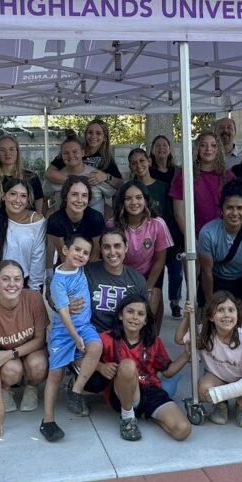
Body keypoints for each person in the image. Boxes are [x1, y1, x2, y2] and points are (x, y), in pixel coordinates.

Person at [85, 294, 191, 442]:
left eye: (141, 314)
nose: (135, 317)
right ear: (121, 315)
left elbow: (167, 371)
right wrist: (101, 366)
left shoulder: (153, 341)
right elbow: (79, 357)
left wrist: (186, 356)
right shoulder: (105, 338)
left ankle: (145, 414)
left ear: (146, 321)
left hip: (150, 390)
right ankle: (127, 417)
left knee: (182, 430)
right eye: (130, 312)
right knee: (128, 365)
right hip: (123, 394)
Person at [40, 233, 103, 442]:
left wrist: (80, 334)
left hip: (84, 326)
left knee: (96, 346)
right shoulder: (58, 280)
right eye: (77, 250)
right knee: (55, 374)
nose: (81, 255)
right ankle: (47, 420)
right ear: (65, 250)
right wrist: (75, 337)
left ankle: (76, 391)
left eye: (86, 253)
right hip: (64, 332)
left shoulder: (81, 270)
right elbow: (64, 314)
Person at [0, 260, 49, 437]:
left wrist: (12, 353)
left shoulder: (33, 299)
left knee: (38, 364)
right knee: (12, 370)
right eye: (6, 279)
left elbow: (40, 340)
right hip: (8, 361)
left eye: (17, 279)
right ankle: (6, 389)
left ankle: (32, 386)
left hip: (27, 351)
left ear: (22, 281)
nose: (12, 284)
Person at [177, 292, 242, 428]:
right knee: (203, 389)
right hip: (218, 377)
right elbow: (180, 339)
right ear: (211, 316)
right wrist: (187, 317)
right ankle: (221, 404)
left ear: (237, 315)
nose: (226, 315)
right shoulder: (204, 333)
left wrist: (221, 393)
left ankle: (241, 406)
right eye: (220, 310)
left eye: (231, 310)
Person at [109, 180, 172, 330]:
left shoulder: (158, 224)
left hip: (150, 274)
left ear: (145, 199)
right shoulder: (113, 225)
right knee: (124, 319)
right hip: (123, 276)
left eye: (138, 197)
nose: (134, 202)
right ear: (122, 202)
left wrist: (147, 288)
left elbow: (160, 260)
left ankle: (153, 343)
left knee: (147, 316)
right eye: (128, 198)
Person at [197, 179, 242, 312]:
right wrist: (210, 302)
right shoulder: (208, 233)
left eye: (240, 208)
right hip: (217, 280)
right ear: (222, 210)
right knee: (208, 319)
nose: (235, 213)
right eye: (229, 207)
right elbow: (206, 271)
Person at [0, 177, 47, 290]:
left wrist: (34, 289)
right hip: (3, 281)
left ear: (27, 200)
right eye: (13, 194)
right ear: (4, 196)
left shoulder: (37, 222)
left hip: (28, 282)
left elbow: (38, 257)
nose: (18, 200)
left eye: (23, 196)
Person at [170, 131, 234, 239]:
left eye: (213, 145)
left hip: (225, 237)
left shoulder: (227, 176)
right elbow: (179, 213)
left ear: (218, 149)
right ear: (197, 149)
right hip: (196, 238)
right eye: (203, 145)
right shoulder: (184, 176)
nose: (208, 149)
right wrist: (192, 242)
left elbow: (236, 207)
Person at [84, 228, 149, 333]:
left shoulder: (137, 280)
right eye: (106, 247)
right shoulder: (87, 272)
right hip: (91, 336)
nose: (112, 252)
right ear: (100, 249)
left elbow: (144, 317)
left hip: (123, 338)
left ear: (126, 247)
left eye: (117, 246)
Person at [148, 135, 184, 318]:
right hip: (155, 230)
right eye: (157, 145)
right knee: (158, 273)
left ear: (169, 149)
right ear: (152, 150)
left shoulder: (178, 172)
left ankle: (175, 301)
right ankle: (157, 304)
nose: (161, 148)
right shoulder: (148, 173)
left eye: (165, 144)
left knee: (176, 274)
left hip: (174, 226)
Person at [45, 119, 123, 197]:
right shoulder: (73, 151)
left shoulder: (106, 158)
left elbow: (119, 183)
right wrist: (74, 182)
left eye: (98, 133)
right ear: (85, 134)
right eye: (90, 132)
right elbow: (49, 173)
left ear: (104, 138)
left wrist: (106, 177)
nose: (93, 136)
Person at [45, 135, 115, 216]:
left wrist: (109, 217)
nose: (71, 156)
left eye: (75, 152)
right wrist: (43, 217)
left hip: (94, 225)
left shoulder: (96, 175)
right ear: (61, 156)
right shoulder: (54, 177)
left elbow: (112, 194)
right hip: (62, 226)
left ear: (82, 153)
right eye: (66, 153)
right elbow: (42, 198)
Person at [0, 134, 45, 215]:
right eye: (3, 150)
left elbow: (39, 206)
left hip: (25, 225)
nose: (7, 153)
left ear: (17, 151)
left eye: (11, 149)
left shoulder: (32, 178)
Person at [46, 175, 104, 265]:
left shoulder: (96, 218)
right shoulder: (55, 221)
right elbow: (63, 255)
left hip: (92, 265)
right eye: (74, 194)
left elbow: (95, 253)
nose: (79, 200)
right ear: (65, 197)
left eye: (84, 195)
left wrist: (86, 275)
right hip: (67, 265)